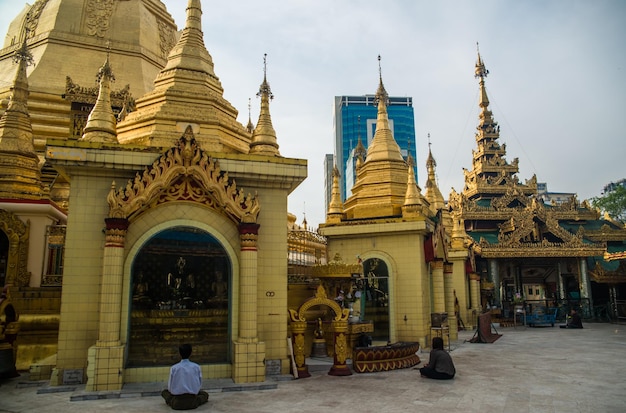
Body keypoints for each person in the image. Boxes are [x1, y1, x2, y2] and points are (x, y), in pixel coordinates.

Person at [161, 344, 209, 410]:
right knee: (204, 394)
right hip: (193, 402)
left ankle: (171, 401)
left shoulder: (174, 368)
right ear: (191, 353)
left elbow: (170, 387)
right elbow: (199, 384)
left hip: (177, 402)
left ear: (179, 354)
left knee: (164, 392)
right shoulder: (196, 367)